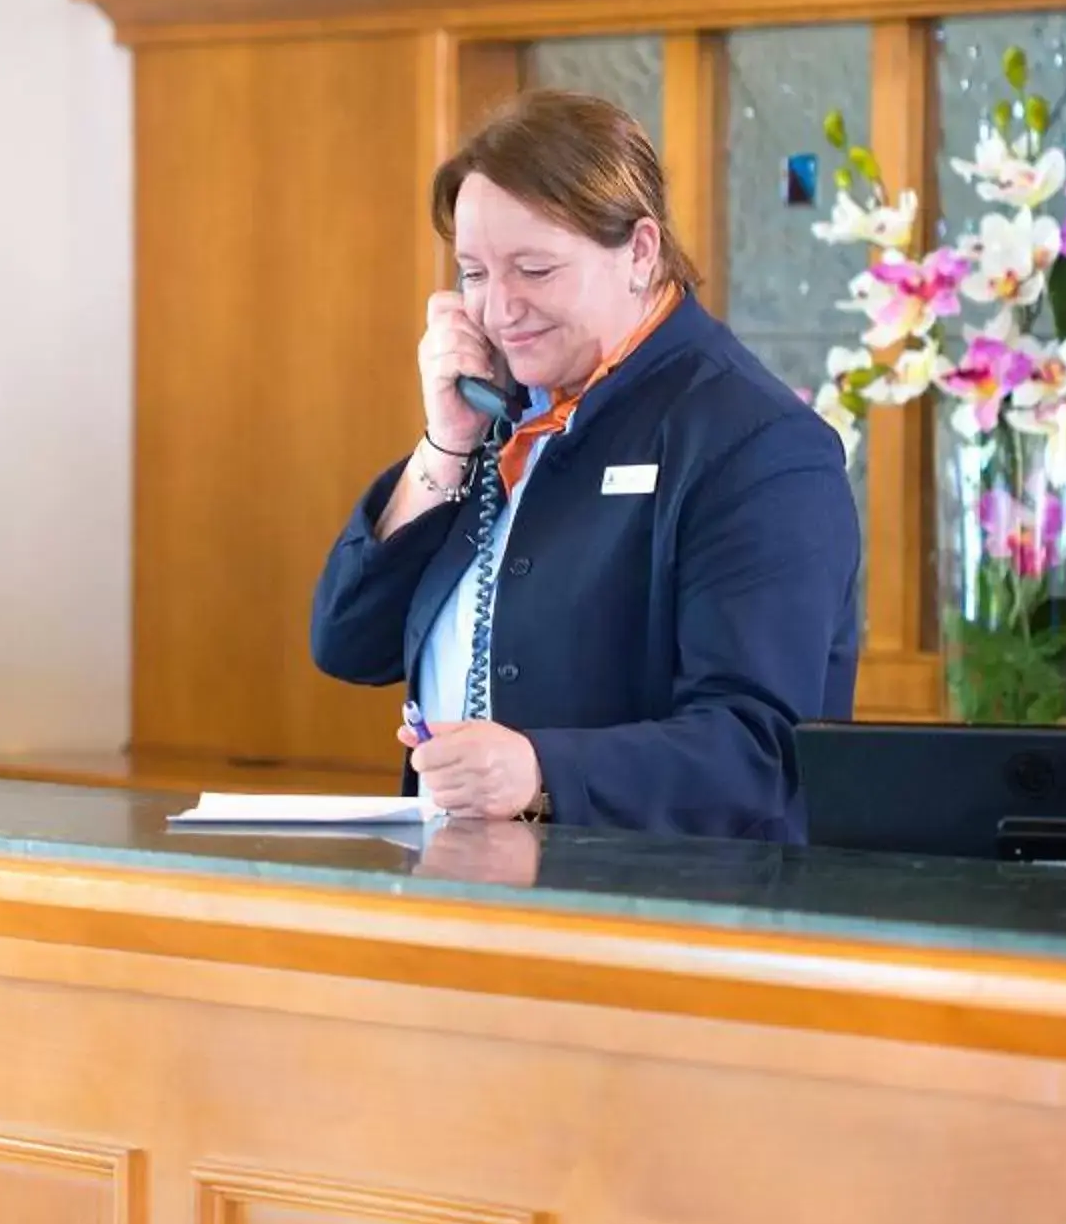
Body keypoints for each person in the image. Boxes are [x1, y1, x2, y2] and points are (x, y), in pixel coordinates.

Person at [308, 89, 859, 837]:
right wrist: (445, 443)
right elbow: (348, 640)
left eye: (533, 270)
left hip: (659, 919)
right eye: (473, 273)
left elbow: (762, 750)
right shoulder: (505, 417)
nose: (498, 311)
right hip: (466, 892)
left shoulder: (756, 443)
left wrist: (540, 772)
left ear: (639, 250)